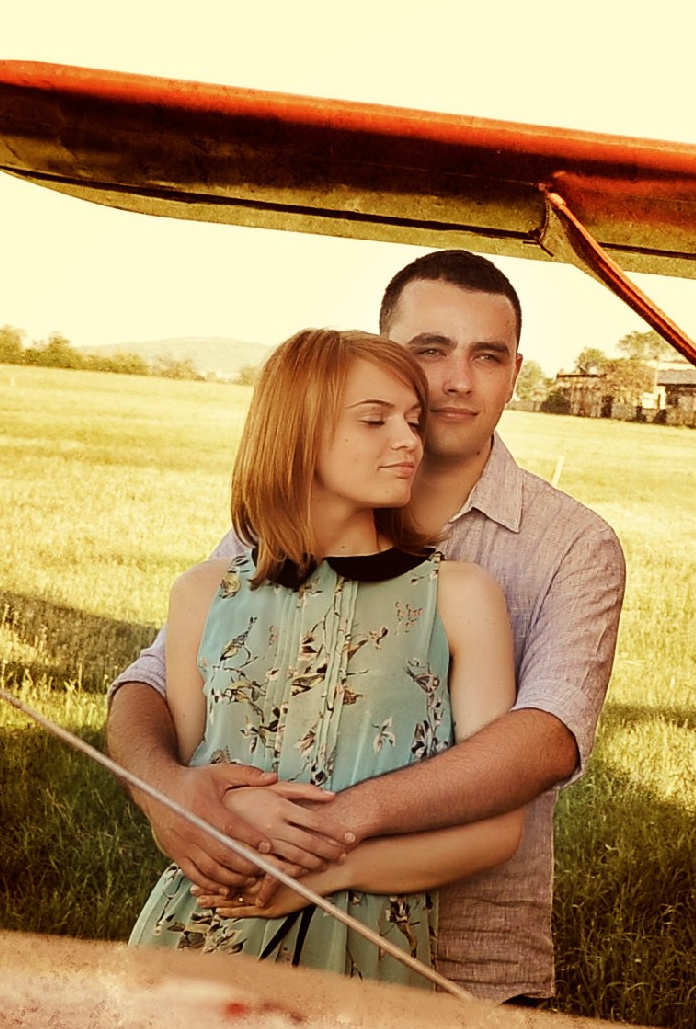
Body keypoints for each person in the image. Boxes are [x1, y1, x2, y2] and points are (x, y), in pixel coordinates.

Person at [108, 250, 625, 1003]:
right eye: (429, 351)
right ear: (388, 353)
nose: (456, 380)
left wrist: (333, 835)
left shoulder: (567, 546)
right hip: (220, 934)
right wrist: (168, 792)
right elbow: (155, 684)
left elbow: (543, 739)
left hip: (464, 959)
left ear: (517, 371)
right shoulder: (262, 548)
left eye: (487, 356)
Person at [129, 328, 522, 985]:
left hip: (365, 957)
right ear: (297, 433)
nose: (409, 440)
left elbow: (497, 831)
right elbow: (185, 797)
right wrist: (219, 817)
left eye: (412, 420)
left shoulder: (457, 597)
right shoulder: (203, 593)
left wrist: (333, 868)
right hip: (196, 937)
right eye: (375, 420)